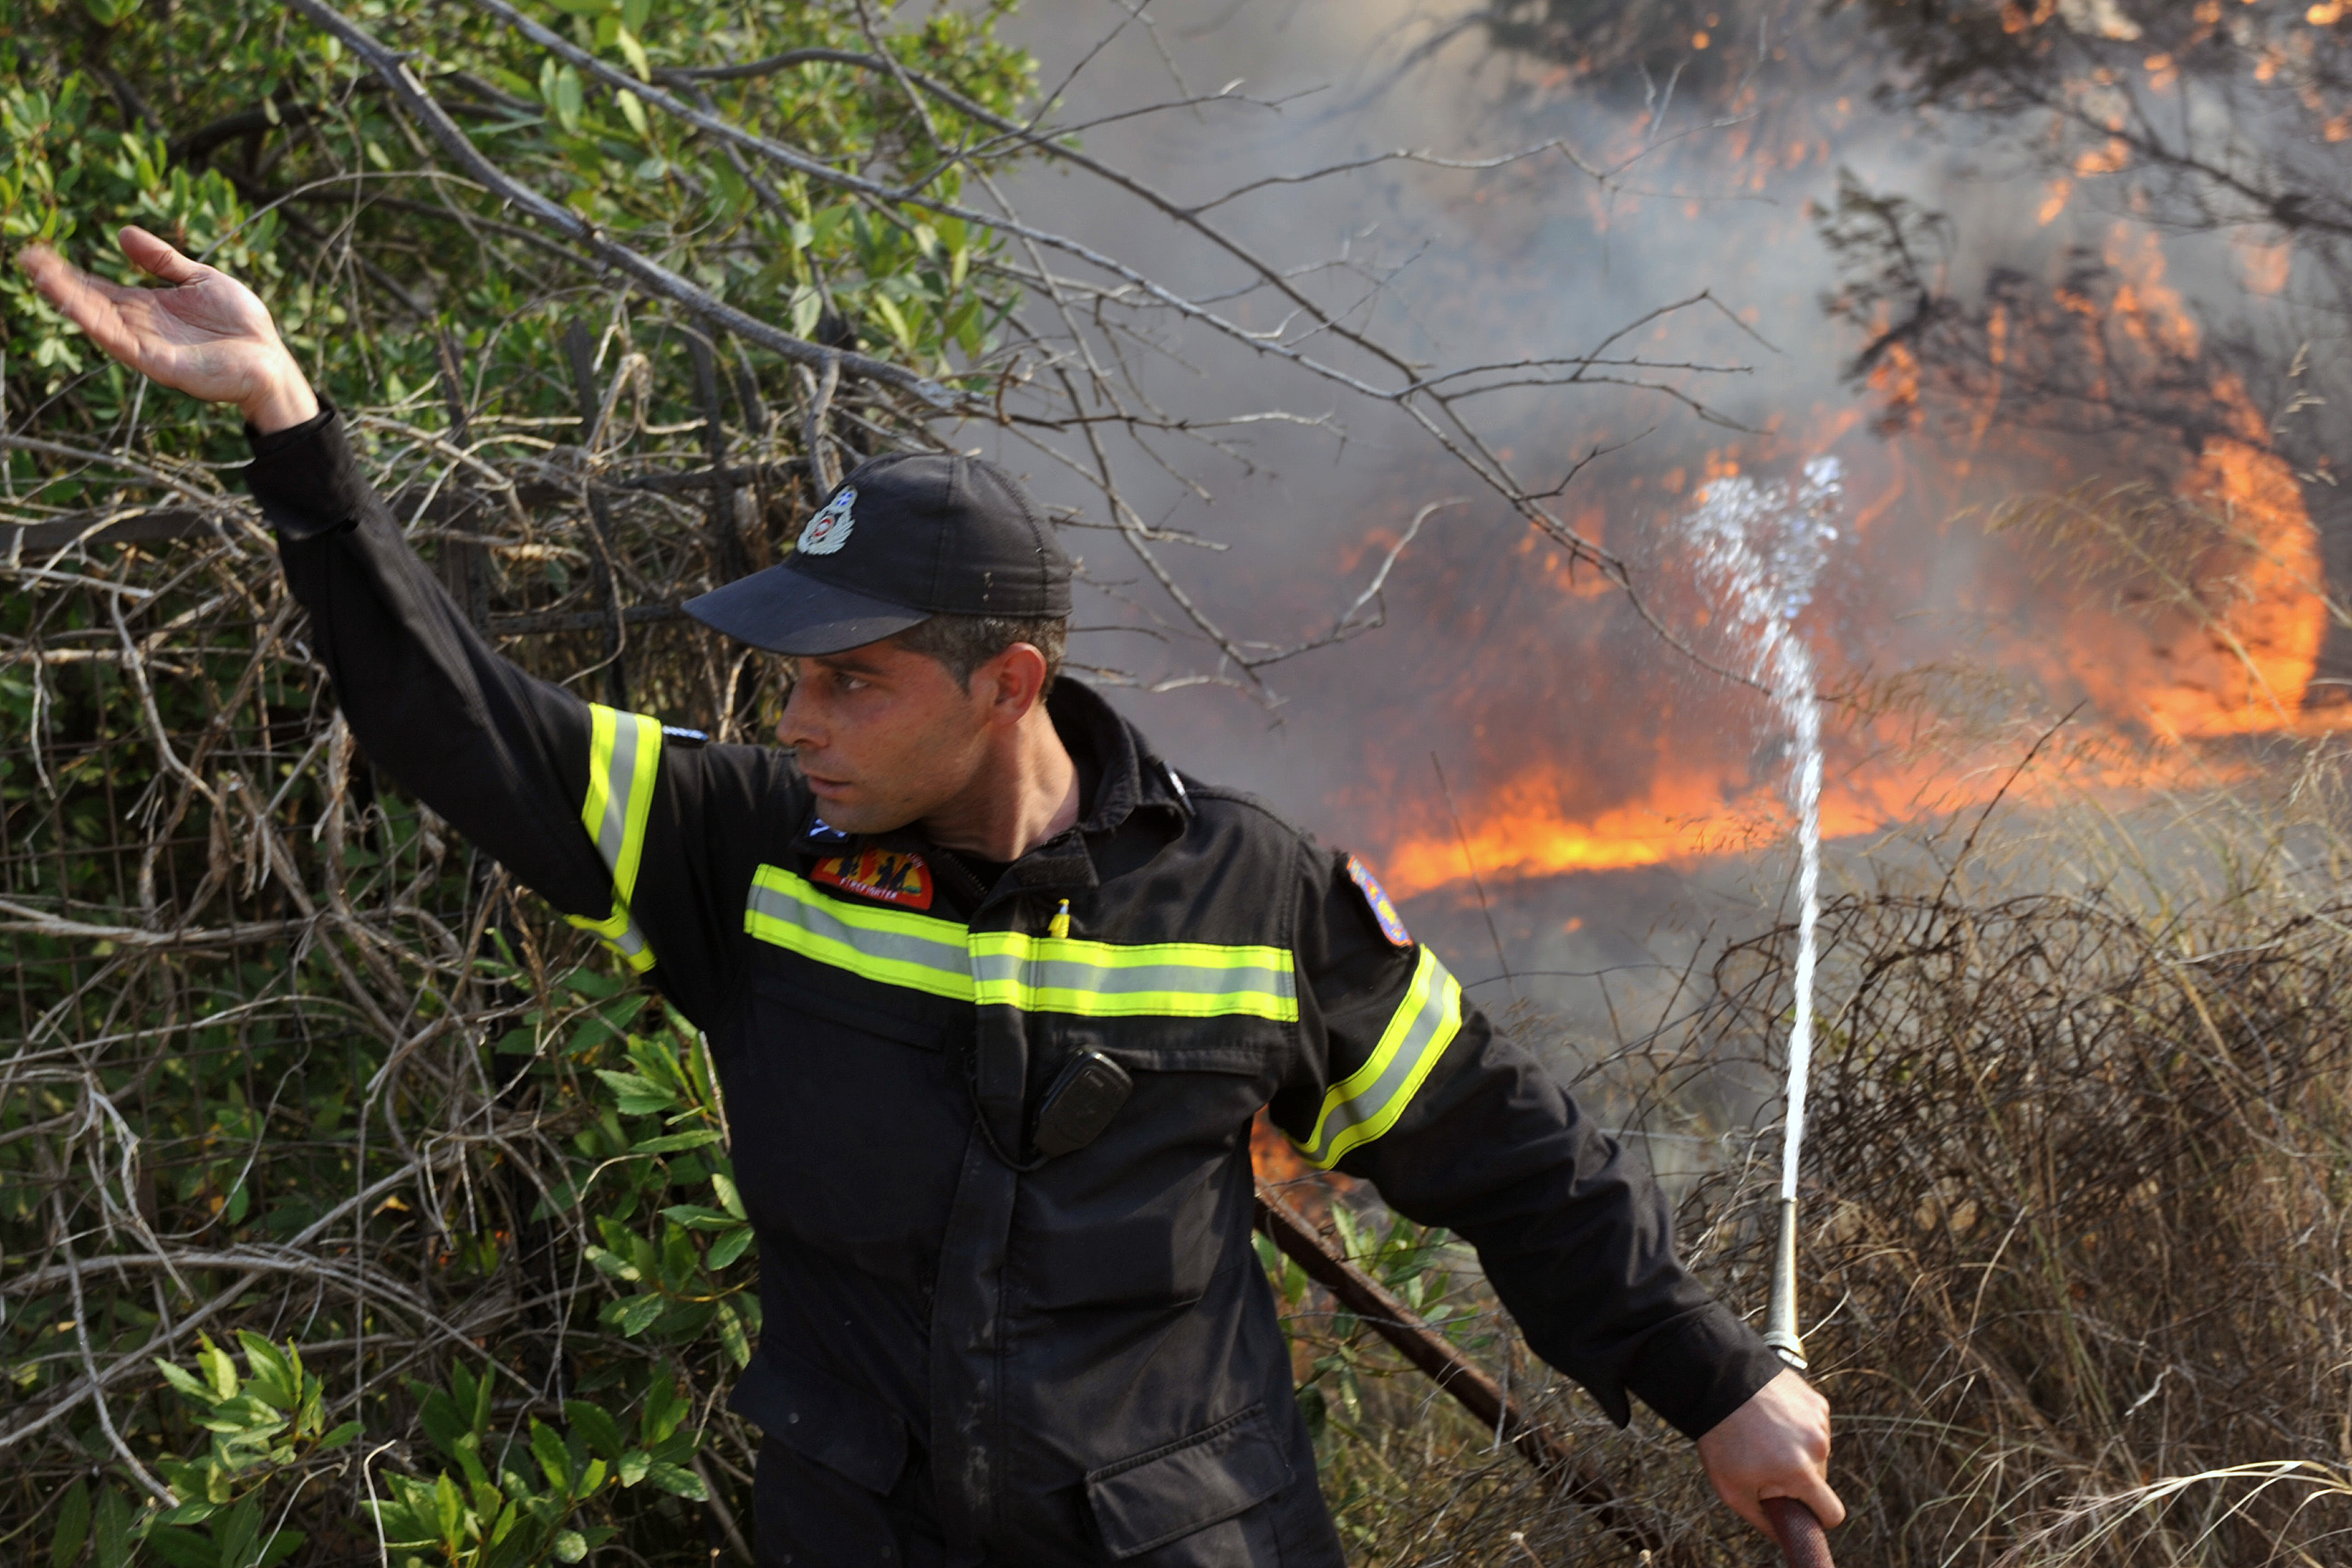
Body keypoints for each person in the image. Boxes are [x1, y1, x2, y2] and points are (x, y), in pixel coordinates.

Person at [19, 229, 1842, 1567]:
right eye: (789, 676)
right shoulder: (747, 848)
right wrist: (289, 426)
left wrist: (1715, 1385)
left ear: (1009, 683)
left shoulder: (1245, 896)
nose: (792, 718)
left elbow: (1501, 1154)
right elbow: (450, 717)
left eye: (848, 680)